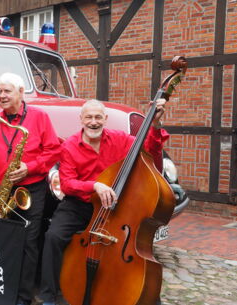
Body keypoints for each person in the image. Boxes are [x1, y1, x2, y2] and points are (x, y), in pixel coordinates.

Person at [38, 99, 169, 305]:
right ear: (81, 119)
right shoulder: (70, 146)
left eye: (98, 117)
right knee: (53, 237)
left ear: (105, 119)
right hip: (80, 205)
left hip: (114, 206)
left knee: (130, 250)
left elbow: (148, 150)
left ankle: (145, 295)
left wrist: (156, 125)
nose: (93, 122)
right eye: (89, 117)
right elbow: (67, 184)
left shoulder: (120, 140)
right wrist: (95, 186)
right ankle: (48, 296)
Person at [0, 73, 60, 305]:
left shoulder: (40, 117)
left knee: (28, 244)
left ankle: (22, 297)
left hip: (29, 191)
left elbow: (53, 151)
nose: (2, 96)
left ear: (21, 93)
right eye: (0, 91)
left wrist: (30, 167)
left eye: (7, 91)